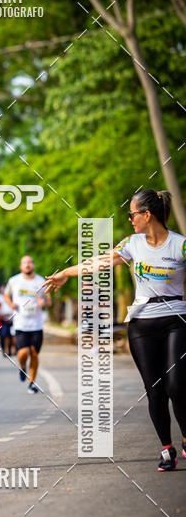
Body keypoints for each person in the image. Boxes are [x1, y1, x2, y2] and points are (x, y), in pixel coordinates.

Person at [45, 189, 186, 472]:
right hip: (141, 325)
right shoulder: (132, 244)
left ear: (147, 215)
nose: (129, 219)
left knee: (176, 385)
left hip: (177, 320)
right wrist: (64, 273)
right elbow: (95, 263)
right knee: (155, 389)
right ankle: (166, 449)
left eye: (132, 214)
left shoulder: (180, 246)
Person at [4, 255, 48, 394]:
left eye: (30, 262)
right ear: (21, 266)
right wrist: (11, 303)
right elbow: (6, 294)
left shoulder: (41, 281)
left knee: (34, 354)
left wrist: (44, 302)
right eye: (25, 263)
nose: (27, 265)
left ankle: (31, 383)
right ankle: (22, 365)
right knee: (23, 352)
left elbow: (48, 298)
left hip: (36, 324)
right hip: (21, 323)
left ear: (33, 265)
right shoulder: (14, 280)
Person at [0, 283, 15, 356]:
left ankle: (11, 350)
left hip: (13, 318)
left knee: (12, 336)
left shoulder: (13, 295)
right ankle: (5, 350)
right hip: (3, 319)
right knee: (4, 335)